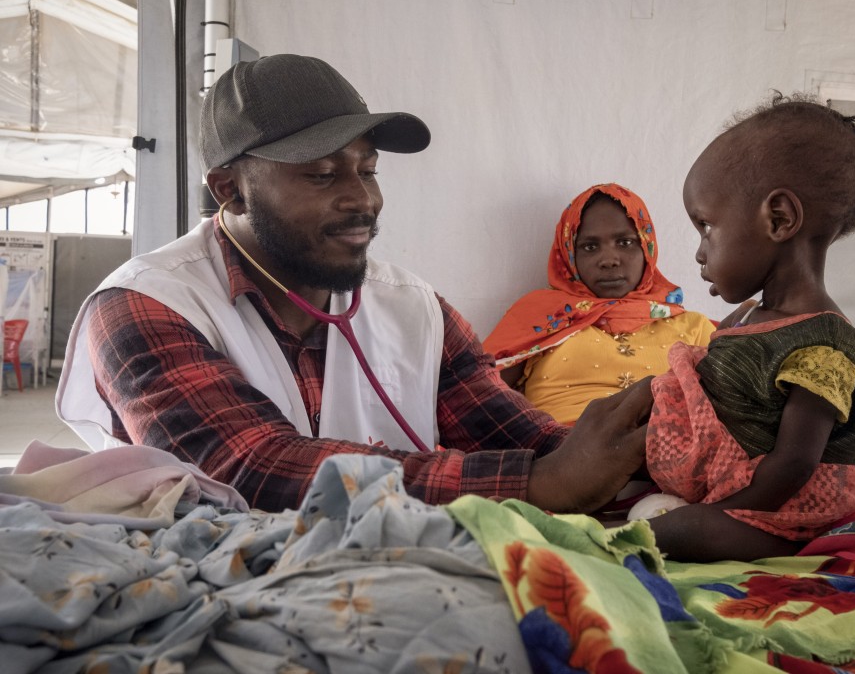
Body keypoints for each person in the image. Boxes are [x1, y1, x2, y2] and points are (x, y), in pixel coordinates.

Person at [55, 53, 653, 515]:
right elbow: (247, 470)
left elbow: (523, 435)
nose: (362, 200)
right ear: (229, 189)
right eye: (321, 175)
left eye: (367, 169)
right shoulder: (146, 305)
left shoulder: (416, 309)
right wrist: (537, 484)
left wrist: (649, 453)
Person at [639, 93, 855, 562]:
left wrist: (726, 512)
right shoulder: (746, 316)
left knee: (684, 532)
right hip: (725, 477)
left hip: (780, 505)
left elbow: (794, 465)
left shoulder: (825, 343)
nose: (701, 252)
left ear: (778, 219)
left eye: (706, 227)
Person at [483, 183, 715, 425]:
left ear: (647, 247)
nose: (609, 260)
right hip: (559, 455)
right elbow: (475, 399)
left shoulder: (693, 328)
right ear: (569, 253)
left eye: (625, 243)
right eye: (590, 247)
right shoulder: (539, 316)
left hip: (668, 453)